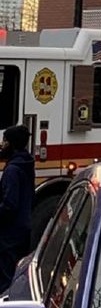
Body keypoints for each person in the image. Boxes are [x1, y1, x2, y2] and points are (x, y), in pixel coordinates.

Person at [0, 124, 34, 292]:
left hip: (9, 235)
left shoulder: (12, 170)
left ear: (12, 144)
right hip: (23, 230)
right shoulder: (25, 164)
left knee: (5, 280)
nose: (2, 145)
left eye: (5, 141)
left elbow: (9, 205)